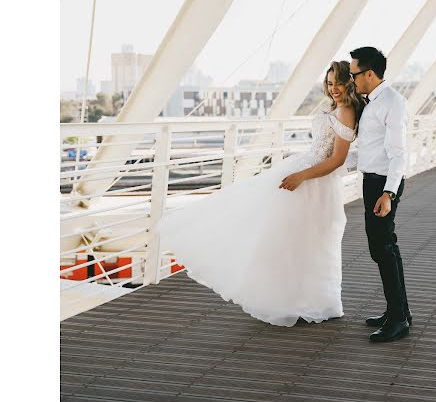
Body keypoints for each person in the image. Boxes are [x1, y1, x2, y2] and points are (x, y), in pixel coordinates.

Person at [156, 60, 364, 327]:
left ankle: (314, 302)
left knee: (311, 242)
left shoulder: (346, 111)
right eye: (330, 82)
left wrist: (300, 176)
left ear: (350, 82)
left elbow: (336, 160)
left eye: (339, 82)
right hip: (303, 173)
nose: (334, 88)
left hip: (314, 183)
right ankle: (292, 299)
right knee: (289, 240)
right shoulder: (335, 108)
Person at [349, 46, 412, 343]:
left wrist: (388, 193)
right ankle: (398, 311)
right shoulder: (372, 102)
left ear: (369, 74)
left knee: (383, 250)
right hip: (372, 182)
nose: (352, 79)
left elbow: (399, 153)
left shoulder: (392, 103)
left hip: (383, 185)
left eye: (354, 74)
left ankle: (398, 320)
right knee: (384, 249)